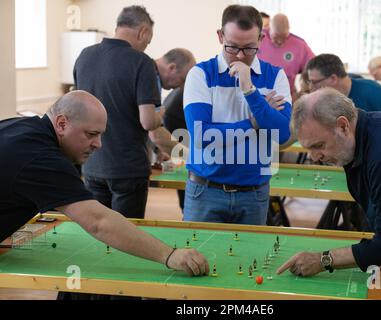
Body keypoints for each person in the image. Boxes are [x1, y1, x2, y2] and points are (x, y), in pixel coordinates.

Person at [0, 91, 209, 278]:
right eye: (91, 134)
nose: (98, 144)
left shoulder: (20, 127)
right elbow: (98, 221)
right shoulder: (41, 157)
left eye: (100, 135)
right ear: (62, 124)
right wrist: (169, 255)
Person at [277, 87, 381, 300]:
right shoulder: (364, 136)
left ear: (343, 126)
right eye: (308, 149)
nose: (315, 157)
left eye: (319, 145)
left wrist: (323, 260)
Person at [73, 6, 194, 220]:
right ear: (143, 32)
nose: (146, 46)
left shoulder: (84, 56)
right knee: (127, 237)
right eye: (148, 41)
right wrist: (161, 112)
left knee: (99, 233)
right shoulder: (142, 62)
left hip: (92, 165)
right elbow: (148, 122)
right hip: (128, 170)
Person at [183, 4, 292, 225]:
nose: (241, 56)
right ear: (220, 36)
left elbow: (280, 135)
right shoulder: (201, 74)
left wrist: (249, 90)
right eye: (232, 47)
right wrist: (254, 122)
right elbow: (203, 137)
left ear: (261, 39)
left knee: (249, 259)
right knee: (198, 258)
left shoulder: (276, 76)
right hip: (205, 189)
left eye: (250, 48)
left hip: (254, 192)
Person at [305, 54, 381, 116]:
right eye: (309, 82)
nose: (311, 88)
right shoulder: (326, 99)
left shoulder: (371, 90)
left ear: (333, 79)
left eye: (314, 82)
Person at [257, 13, 315, 102]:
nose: (280, 42)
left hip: (286, 100)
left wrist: (303, 91)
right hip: (257, 98)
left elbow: (315, 69)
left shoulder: (299, 45)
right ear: (269, 29)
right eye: (276, 37)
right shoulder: (257, 37)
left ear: (289, 29)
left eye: (284, 37)